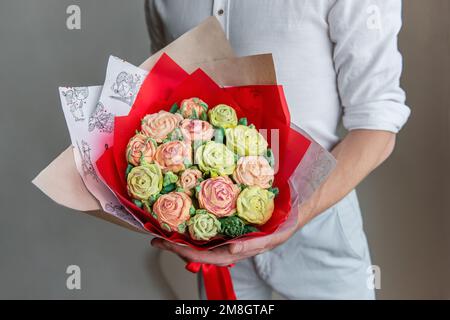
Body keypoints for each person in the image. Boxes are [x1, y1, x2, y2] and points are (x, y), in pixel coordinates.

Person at [146, 0, 411, 300]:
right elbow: (166, 92)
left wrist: (294, 218)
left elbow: (377, 126)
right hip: (213, 229)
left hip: (320, 222)